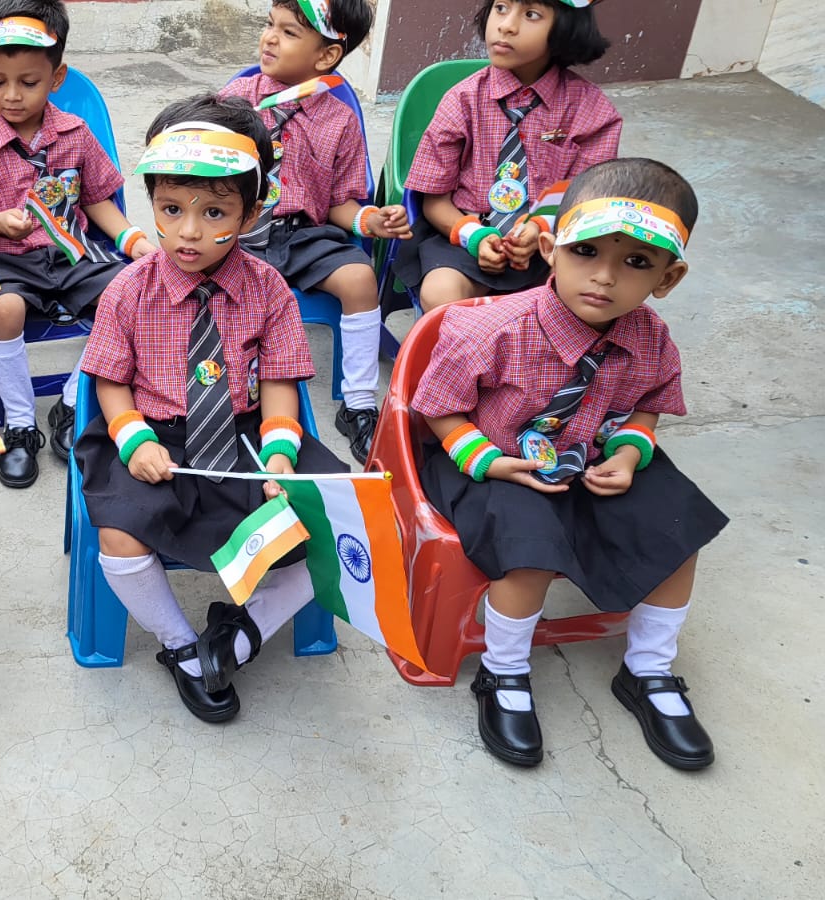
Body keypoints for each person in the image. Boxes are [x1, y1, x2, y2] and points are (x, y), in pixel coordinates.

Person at [412, 157, 726, 770]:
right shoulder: (491, 328)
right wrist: (487, 462)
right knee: (528, 550)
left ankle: (649, 670)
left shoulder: (651, 337)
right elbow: (437, 410)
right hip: (495, 458)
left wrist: (630, 452)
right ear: (550, 249)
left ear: (668, 277)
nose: (605, 277)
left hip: (594, 456)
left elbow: (647, 405)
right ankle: (504, 671)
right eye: (586, 251)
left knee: (677, 533)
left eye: (637, 262)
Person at [73, 95, 348, 723]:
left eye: (215, 212)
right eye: (171, 209)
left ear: (252, 212)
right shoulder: (127, 290)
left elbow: (279, 380)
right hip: (154, 439)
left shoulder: (269, 288)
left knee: (339, 520)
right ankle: (181, 646)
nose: (189, 232)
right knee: (118, 534)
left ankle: (242, 631)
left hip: (246, 436)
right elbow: (109, 382)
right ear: (151, 203)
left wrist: (280, 453)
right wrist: (132, 439)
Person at [0, 0, 157, 488]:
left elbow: (98, 198)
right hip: (5, 260)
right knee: (4, 310)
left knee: (134, 293)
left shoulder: (75, 134)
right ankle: (20, 424)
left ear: (56, 78)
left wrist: (133, 239)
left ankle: (73, 401)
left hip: (70, 254)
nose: (12, 95)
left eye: (28, 82)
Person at [219, 0, 411, 460]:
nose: (269, 37)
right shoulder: (236, 99)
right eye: (270, 25)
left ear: (326, 55)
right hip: (238, 229)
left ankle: (359, 403)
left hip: (302, 233)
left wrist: (371, 220)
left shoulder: (339, 119)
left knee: (359, 278)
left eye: (288, 33)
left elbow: (341, 202)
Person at [398, 0, 620, 313]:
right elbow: (434, 201)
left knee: (592, 298)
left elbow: (589, 198)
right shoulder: (461, 100)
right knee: (441, 292)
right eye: (501, 7)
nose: (506, 25)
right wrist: (476, 237)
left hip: (555, 242)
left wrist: (540, 226)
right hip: (465, 233)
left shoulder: (592, 111)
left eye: (531, 14)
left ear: (566, 28)